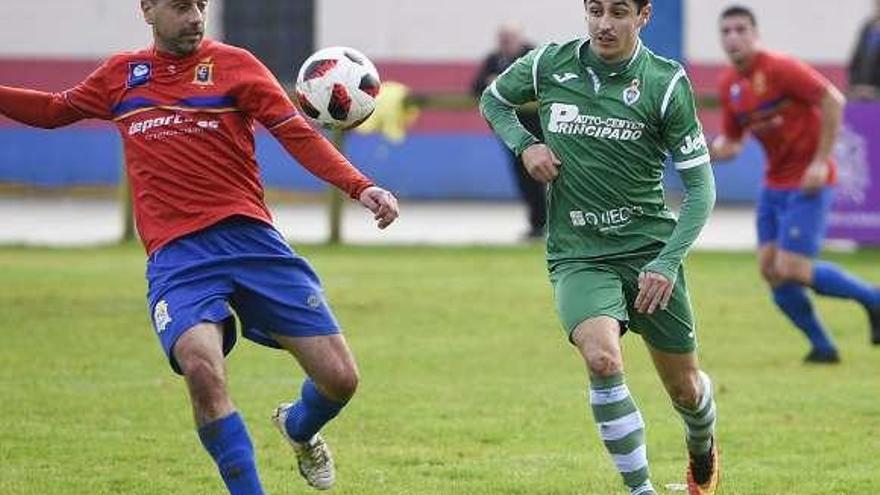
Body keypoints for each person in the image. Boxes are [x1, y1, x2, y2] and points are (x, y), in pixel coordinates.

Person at [0, 0, 399, 494]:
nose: (194, 16)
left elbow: (297, 134)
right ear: (147, 9)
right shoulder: (121, 76)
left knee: (340, 379)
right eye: (179, 6)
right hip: (178, 258)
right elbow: (53, 110)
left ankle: (298, 427)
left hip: (251, 242)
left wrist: (362, 187)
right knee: (202, 370)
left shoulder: (236, 65)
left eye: (200, 5)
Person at [480, 1, 719, 494]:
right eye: (595, 10)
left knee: (686, 390)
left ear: (644, 16)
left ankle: (703, 452)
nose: (604, 24)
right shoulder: (549, 63)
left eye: (618, 12)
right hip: (579, 252)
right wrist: (526, 145)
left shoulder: (666, 83)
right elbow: (493, 100)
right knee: (603, 360)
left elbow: (701, 190)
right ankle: (641, 490)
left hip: (650, 252)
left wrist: (666, 263)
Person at [710, 5, 880, 364]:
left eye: (741, 29)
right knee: (771, 271)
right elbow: (733, 141)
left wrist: (821, 161)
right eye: (726, 31)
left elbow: (833, 99)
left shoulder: (780, 67)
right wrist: (706, 151)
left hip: (809, 182)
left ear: (755, 34)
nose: (733, 37)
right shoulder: (730, 84)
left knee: (792, 268)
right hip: (773, 185)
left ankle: (873, 298)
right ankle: (823, 347)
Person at [472, 21, 547, 240]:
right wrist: (491, 83)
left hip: (540, 129)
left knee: (549, 178)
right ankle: (537, 224)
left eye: (509, 38)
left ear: (519, 38)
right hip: (511, 133)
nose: (505, 42)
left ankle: (554, 224)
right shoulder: (494, 60)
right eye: (502, 38)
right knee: (525, 178)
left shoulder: (534, 56)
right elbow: (476, 88)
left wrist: (511, 87)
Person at [848, 0, 880, 100]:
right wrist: (857, 85)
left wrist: (874, 89)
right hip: (861, 91)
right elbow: (856, 58)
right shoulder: (868, 26)